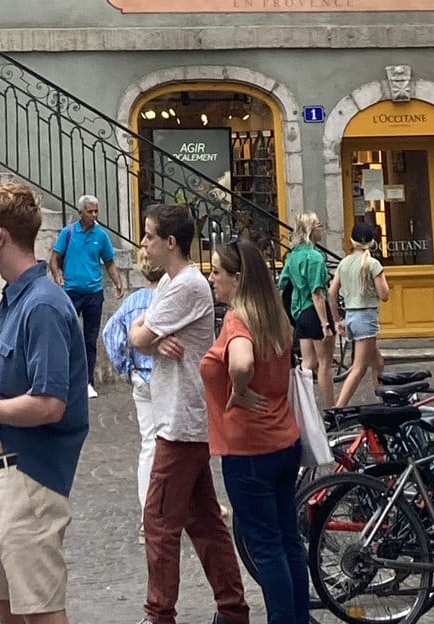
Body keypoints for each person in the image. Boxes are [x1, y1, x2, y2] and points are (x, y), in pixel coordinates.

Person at [0, 181, 88, 624]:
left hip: (29, 478)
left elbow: (50, 403)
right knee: (9, 610)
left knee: (40, 612)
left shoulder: (44, 305)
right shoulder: (13, 300)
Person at [130, 203, 247, 624]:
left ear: (170, 242)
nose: (144, 243)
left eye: (149, 235)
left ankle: (158, 614)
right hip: (183, 417)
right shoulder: (169, 283)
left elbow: (140, 332)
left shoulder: (185, 287)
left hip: (180, 421)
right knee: (204, 522)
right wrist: (152, 340)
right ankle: (232, 609)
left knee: (159, 522)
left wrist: (149, 338)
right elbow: (136, 332)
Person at [201, 236, 308, 624]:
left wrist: (239, 391)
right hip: (283, 439)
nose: (212, 279)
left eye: (217, 272)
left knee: (265, 547)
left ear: (238, 277)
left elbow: (242, 362)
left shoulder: (237, 318)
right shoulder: (275, 315)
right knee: (288, 542)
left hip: (249, 448)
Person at [48, 194, 126, 395]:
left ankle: (88, 383)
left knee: (90, 340)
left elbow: (109, 262)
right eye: (90, 211)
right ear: (80, 212)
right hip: (71, 293)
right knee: (68, 337)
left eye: (96, 211)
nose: (94, 215)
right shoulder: (68, 233)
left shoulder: (101, 236)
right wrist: (57, 276)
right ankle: (67, 381)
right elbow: (54, 259)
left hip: (94, 294)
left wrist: (118, 282)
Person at [101, 262, 162, 515]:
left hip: (141, 376)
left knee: (149, 444)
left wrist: (125, 365)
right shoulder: (168, 299)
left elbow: (110, 332)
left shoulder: (133, 301)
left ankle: (147, 512)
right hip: (164, 375)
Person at [278, 213, 336, 408]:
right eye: (319, 225)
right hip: (314, 312)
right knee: (325, 364)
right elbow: (317, 294)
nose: (322, 229)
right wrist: (325, 324)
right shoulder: (315, 257)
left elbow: (282, 282)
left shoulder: (293, 255)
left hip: (300, 312)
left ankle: (302, 406)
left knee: (308, 363)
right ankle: (331, 409)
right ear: (312, 230)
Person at [328, 220, 388, 408]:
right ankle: (339, 409)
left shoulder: (344, 263)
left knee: (377, 361)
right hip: (366, 317)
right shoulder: (372, 264)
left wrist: (338, 320)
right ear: (371, 242)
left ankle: (384, 399)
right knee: (359, 368)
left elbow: (331, 292)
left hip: (351, 316)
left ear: (352, 241)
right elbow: (384, 295)